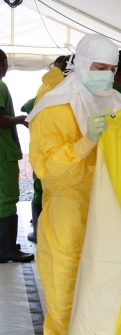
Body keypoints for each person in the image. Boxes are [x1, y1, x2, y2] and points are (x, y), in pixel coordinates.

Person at [27, 34, 121, 333]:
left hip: (109, 210)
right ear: (83, 64)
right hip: (68, 214)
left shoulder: (117, 101)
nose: (107, 76)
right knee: (65, 296)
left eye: (112, 69)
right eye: (100, 67)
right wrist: (85, 143)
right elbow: (45, 167)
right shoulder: (54, 106)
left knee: (106, 296)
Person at [21, 55, 69, 243]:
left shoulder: (46, 89)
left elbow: (26, 106)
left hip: (43, 153)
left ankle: (39, 231)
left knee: (41, 191)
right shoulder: (67, 92)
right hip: (64, 157)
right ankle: (43, 231)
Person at [0, 48, 34, 264]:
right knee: (7, 199)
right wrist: (21, 119)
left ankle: (5, 244)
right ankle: (7, 249)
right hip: (3, 152)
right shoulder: (0, 85)